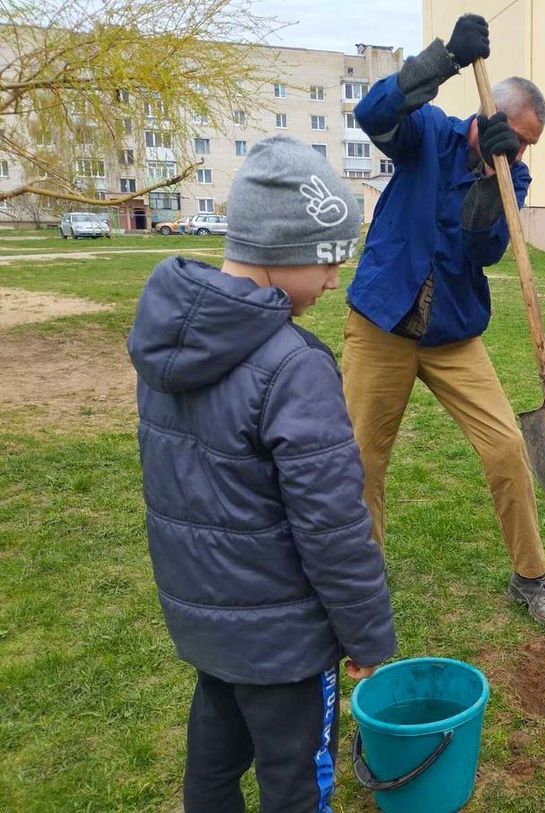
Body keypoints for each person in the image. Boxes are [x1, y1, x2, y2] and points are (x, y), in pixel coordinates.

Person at [127, 135, 395, 813]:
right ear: (286, 251)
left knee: (212, 772)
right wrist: (367, 634)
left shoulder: (169, 342)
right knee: (298, 783)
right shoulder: (294, 365)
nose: (336, 280)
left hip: (208, 626)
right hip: (285, 647)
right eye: (331, 261)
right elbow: (333, 525)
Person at [341, 14, 545, 628]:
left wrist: (495, 183)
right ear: (487, 112)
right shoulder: (431, 135)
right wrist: (442, 58)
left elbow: (485, 249)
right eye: (516, 135)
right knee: (361, 458)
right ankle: (360, 587)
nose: (521, 151)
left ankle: (531, 577)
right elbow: (373, 114)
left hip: (452, 337)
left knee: (505, 448)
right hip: (382, 324)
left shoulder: (511, 175)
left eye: (528, 145)